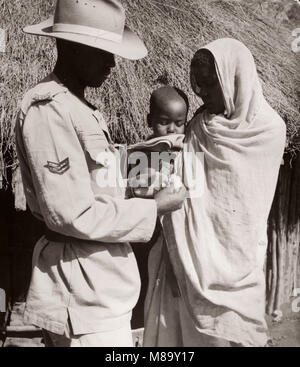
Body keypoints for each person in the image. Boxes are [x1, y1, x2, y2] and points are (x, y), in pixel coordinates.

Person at [15, 0, 186, 347]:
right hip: (81, 289)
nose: (111, 62)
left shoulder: (79, 108)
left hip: (101, 286)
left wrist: (136, 168)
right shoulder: (49, 110)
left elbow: (91, 182)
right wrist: (155, 207)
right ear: (72, 47)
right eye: (103, 52)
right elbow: (72, 213)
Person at [143, 38, 286, 347]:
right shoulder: (197, 126)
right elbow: (175, 188)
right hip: (186, 260)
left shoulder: (269, 130)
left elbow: (245, 203)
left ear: (234, 79)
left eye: (211, 84)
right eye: (199, 84)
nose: (202, 93)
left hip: (239, 261)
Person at [129, 86, 188, 328]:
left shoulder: (188, 153)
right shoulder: (139, 154)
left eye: (178, 123)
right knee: (144, 285)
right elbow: (136, 191)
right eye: (164, 122)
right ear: (149, 121)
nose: (172, 129)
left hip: (176, 237)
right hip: (147, 235)